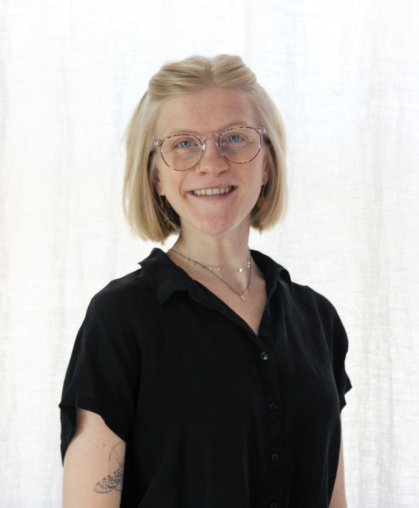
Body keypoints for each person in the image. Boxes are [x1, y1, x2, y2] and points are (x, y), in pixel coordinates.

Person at [59, 54, 352, 508]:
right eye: (183, 144)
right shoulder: (120, 319)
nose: (211, 162)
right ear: (155, 174)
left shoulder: (318, 320)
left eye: (234, 137)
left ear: (268, 164)